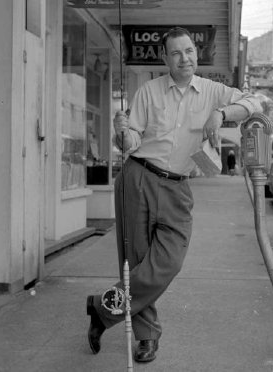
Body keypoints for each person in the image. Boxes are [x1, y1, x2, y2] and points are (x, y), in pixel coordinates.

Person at [86, 26, 262, 363]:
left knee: (168, 261)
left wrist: (222, 113)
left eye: (190, 51)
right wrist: (123, 136)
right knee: (136, 260)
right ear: (165, 58)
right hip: (138, 177)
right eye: (177, 53)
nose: (185, 58)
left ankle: (103, 308)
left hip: (178, 185)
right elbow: (133, 141)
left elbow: (255, 102)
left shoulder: (212, 91)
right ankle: (146, 337)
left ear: (197, 55)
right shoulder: (149, 92)